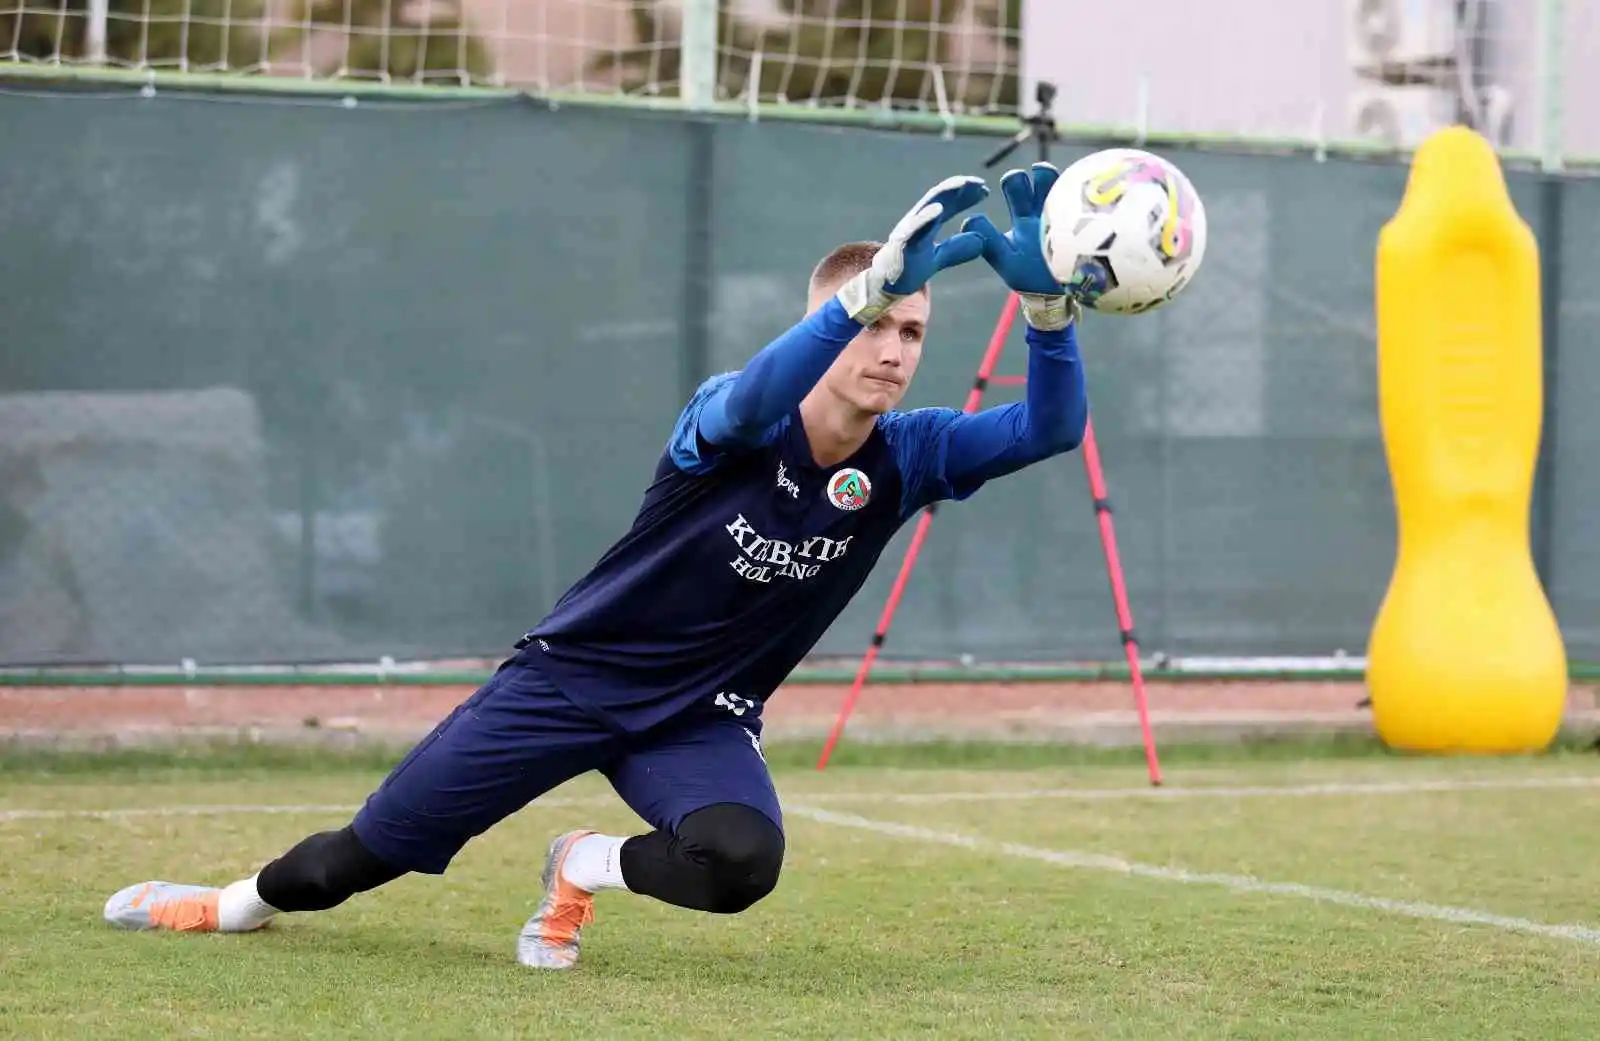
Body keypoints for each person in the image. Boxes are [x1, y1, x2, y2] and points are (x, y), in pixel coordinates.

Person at [101, 163, 1090, 970]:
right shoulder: (732, 419)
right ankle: (229, 905)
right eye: (874, 322)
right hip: (568, 683)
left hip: (695, 718)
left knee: (739, 864)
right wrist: (859, 294)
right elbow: (751, 399)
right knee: (352, 864)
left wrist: (1048, 313)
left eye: (911, 330)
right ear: (825, 323)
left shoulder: (911, 452)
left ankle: (582, 862)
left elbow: (1053, 428)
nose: (892, 348)